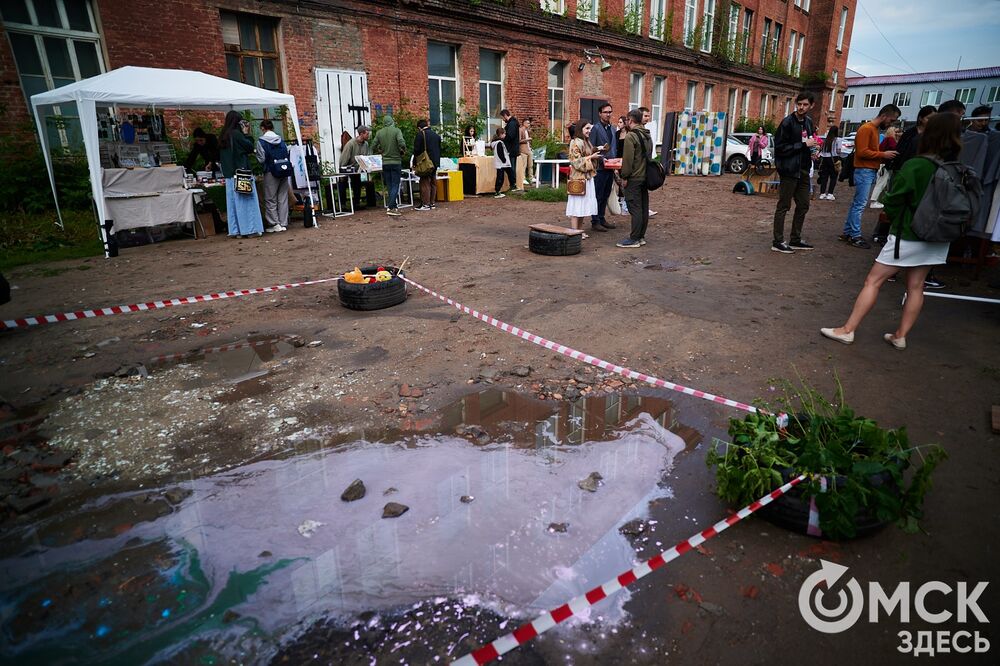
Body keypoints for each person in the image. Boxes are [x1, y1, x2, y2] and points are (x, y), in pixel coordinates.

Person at [821, 113, 965, 350]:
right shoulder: (956, 169)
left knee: (873, 280)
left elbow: (893, 201)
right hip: (939, 236)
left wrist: (897, 215)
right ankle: (900, 335)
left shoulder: (917, 165)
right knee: (916, 286)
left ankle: (848, 330)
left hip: (909, 234)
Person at [840, 103, 901, 248]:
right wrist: (883, 154)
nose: (891, 124)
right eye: (891, 120)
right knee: (859, 205)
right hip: (864, 169)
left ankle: (849, 232)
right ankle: (854, 235)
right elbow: (862, 152)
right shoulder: (867, 129)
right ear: (884, 116)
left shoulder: (872, 129)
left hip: (867, 169)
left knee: (857, 204)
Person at [770, 91, 819, 253]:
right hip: (789, 170)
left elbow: (810, 140)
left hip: (804, 170)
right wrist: (803, 145)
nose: (801, 107)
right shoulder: (787, 123)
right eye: (799, 104)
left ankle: (795, 239)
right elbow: (780, 148)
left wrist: (813, 150)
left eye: (805, 105)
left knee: (804, 204)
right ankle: (777, 241)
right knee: (784, 205)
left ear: (811, 106)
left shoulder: (809, 122)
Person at [218, 111, 264, 238]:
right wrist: (246, 134)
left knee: (233, 204)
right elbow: (249, 147)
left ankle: (235, 230)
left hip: (229, 175)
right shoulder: (237, 134)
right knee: (246, 202)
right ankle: (250, 229)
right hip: (241, 172)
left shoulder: (223, 135)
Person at [616, 109, 651, 248]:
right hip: (645, 176)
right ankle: (641, 236)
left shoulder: (631, 136)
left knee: (634, 207)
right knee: (643, 207)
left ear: (630, 120)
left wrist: (624, 176)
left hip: (634, 177)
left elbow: (628, 160)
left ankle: (634, 238)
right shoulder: (647, 135)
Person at [565, 118, 601, 237]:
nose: (589, 131)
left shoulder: (586, 141)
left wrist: (596, 151)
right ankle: (574, 231)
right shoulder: (575, 142)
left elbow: (586, 155)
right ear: (580, 129)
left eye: (590, 128)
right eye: (587, 128)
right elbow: (575, 161)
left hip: (587, 178)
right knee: (577, 206)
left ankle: (579, 231)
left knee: (583, 206)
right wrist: (591, 158)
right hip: (578, 178)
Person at [255, 119, 290, 233]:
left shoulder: (261, 141)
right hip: (283, 170)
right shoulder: (281, 140)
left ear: (262, 128)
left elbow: (262, 159)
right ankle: (284, 223)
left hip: (270, 171)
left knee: (270, 198)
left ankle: (275, 223)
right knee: (283, 197)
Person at [588, 103, 618, 232]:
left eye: (610, 112)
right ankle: (595, 221)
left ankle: (602, 218)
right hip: (599, 167)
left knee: (606, 194)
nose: (608, 114)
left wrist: (615, 162)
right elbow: (591, 148)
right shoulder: (595, 128)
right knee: (598, 195)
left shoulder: (613, 128)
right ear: (600, 113)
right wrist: (600, 158)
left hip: (610, 167)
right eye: (605, 112)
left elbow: (613, 147)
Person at [372, 115, 406, 216]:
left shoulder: (379, 133)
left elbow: (373, 145)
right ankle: (390, 207)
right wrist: (402, 149)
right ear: (392, 122)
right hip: (396, 162)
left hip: (385, 162)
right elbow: (401, 142)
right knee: (395, 184)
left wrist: (379, 150)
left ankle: (394, 206)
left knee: (390, 185)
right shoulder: (396, 131)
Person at [338, 125, 376, 210]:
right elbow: (344, 158)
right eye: (367, 133)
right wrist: (342, 171)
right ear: (361, 134)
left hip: (357, 168)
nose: (368, 135)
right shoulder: (351, 144)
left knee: (357, 184)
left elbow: (365, 157)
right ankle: (342, 205)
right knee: (342, 184)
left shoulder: (365, 144)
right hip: (347, 167)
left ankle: (356, 203)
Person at [869, 126, 902, 208]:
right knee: (881, 183)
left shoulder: (885, 140)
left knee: (882, 183)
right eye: (896, 131)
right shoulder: (891, 140)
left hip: (881, 164)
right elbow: (895, 149)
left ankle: (878, 200)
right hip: (885, 165)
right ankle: (874, 201)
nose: (897, 133)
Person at [413, 119, 441, 211]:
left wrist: (414, 162)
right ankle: (432, 203)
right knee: (433, 182)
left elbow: (416, 150)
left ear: (419, 128)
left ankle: (425, 204)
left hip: (426, 162)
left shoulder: (420, 135)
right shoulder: (436, 135)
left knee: (424, 182)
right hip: (435, 162)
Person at [639, 106, 659, 217]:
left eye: (648, 116)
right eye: (645, 116)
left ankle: (644, 211)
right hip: (638, 169)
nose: (648, 118)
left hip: (646, 167)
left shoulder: (646, 131)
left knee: (644, 193)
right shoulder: (637, 132)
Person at [817, 126, 841, 200]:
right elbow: (838, 151)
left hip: (824, 159)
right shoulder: (837, 140)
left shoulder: (826, 140)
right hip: (834, 158)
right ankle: (830, 194)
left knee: (824, 176)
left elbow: (822, 151)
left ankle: (822, 193)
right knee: (833, 177)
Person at [500, 109, 520, 192]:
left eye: (502, 117)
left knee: (511, 167)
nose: (502, 119)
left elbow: (510, 136)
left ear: (505, 115)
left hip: (511, 149)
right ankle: (513, 184)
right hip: (513, 149)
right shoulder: (513, 123)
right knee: (511, 167)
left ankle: (513, 184)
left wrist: (503, 138)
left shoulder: (511, 124)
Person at [490, 127, 512, 198]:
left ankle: (498, 191)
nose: (505, 135)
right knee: (500, 178)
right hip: (501, 163)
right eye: (504, 134)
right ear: (501, 134)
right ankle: (497, 192)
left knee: (500, 177)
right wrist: (504, 160)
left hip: (499, 163)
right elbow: (500, 153)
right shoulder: (499, 143)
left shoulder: (495, 143)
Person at [519, 117, 536, 187]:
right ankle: (523, 178)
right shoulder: (520, 130)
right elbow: (519, 140)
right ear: (524, 123)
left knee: (530, 165)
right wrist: (527, 139)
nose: (529, 124)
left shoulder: (527, 130)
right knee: (524, 165)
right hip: (523, 150)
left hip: (528, 149)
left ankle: (531, 178)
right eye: (528, 123)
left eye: (529, 123)